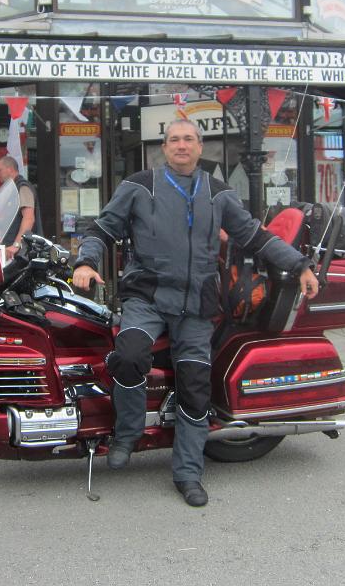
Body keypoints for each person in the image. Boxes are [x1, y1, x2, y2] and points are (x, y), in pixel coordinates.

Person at [72, 119, 319, 508]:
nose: (182, 145)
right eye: (174, 140)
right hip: (147, 297)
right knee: (129, 356)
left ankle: (188, 474)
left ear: (200, 147)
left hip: (196, 305)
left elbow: (254, 236)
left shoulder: (218, 193)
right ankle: (128, 433)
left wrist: (300, 264)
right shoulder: (140, 184)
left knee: (195, 387)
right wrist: (85, 262)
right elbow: (102, 229)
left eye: (189, 139)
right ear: (164, 147)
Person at [0, 155, 41, 257]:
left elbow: (28, 218)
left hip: (22, 252)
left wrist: (16, 245)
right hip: (11, 249)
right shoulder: (11, 189)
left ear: (10, 169)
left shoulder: (22, 187)